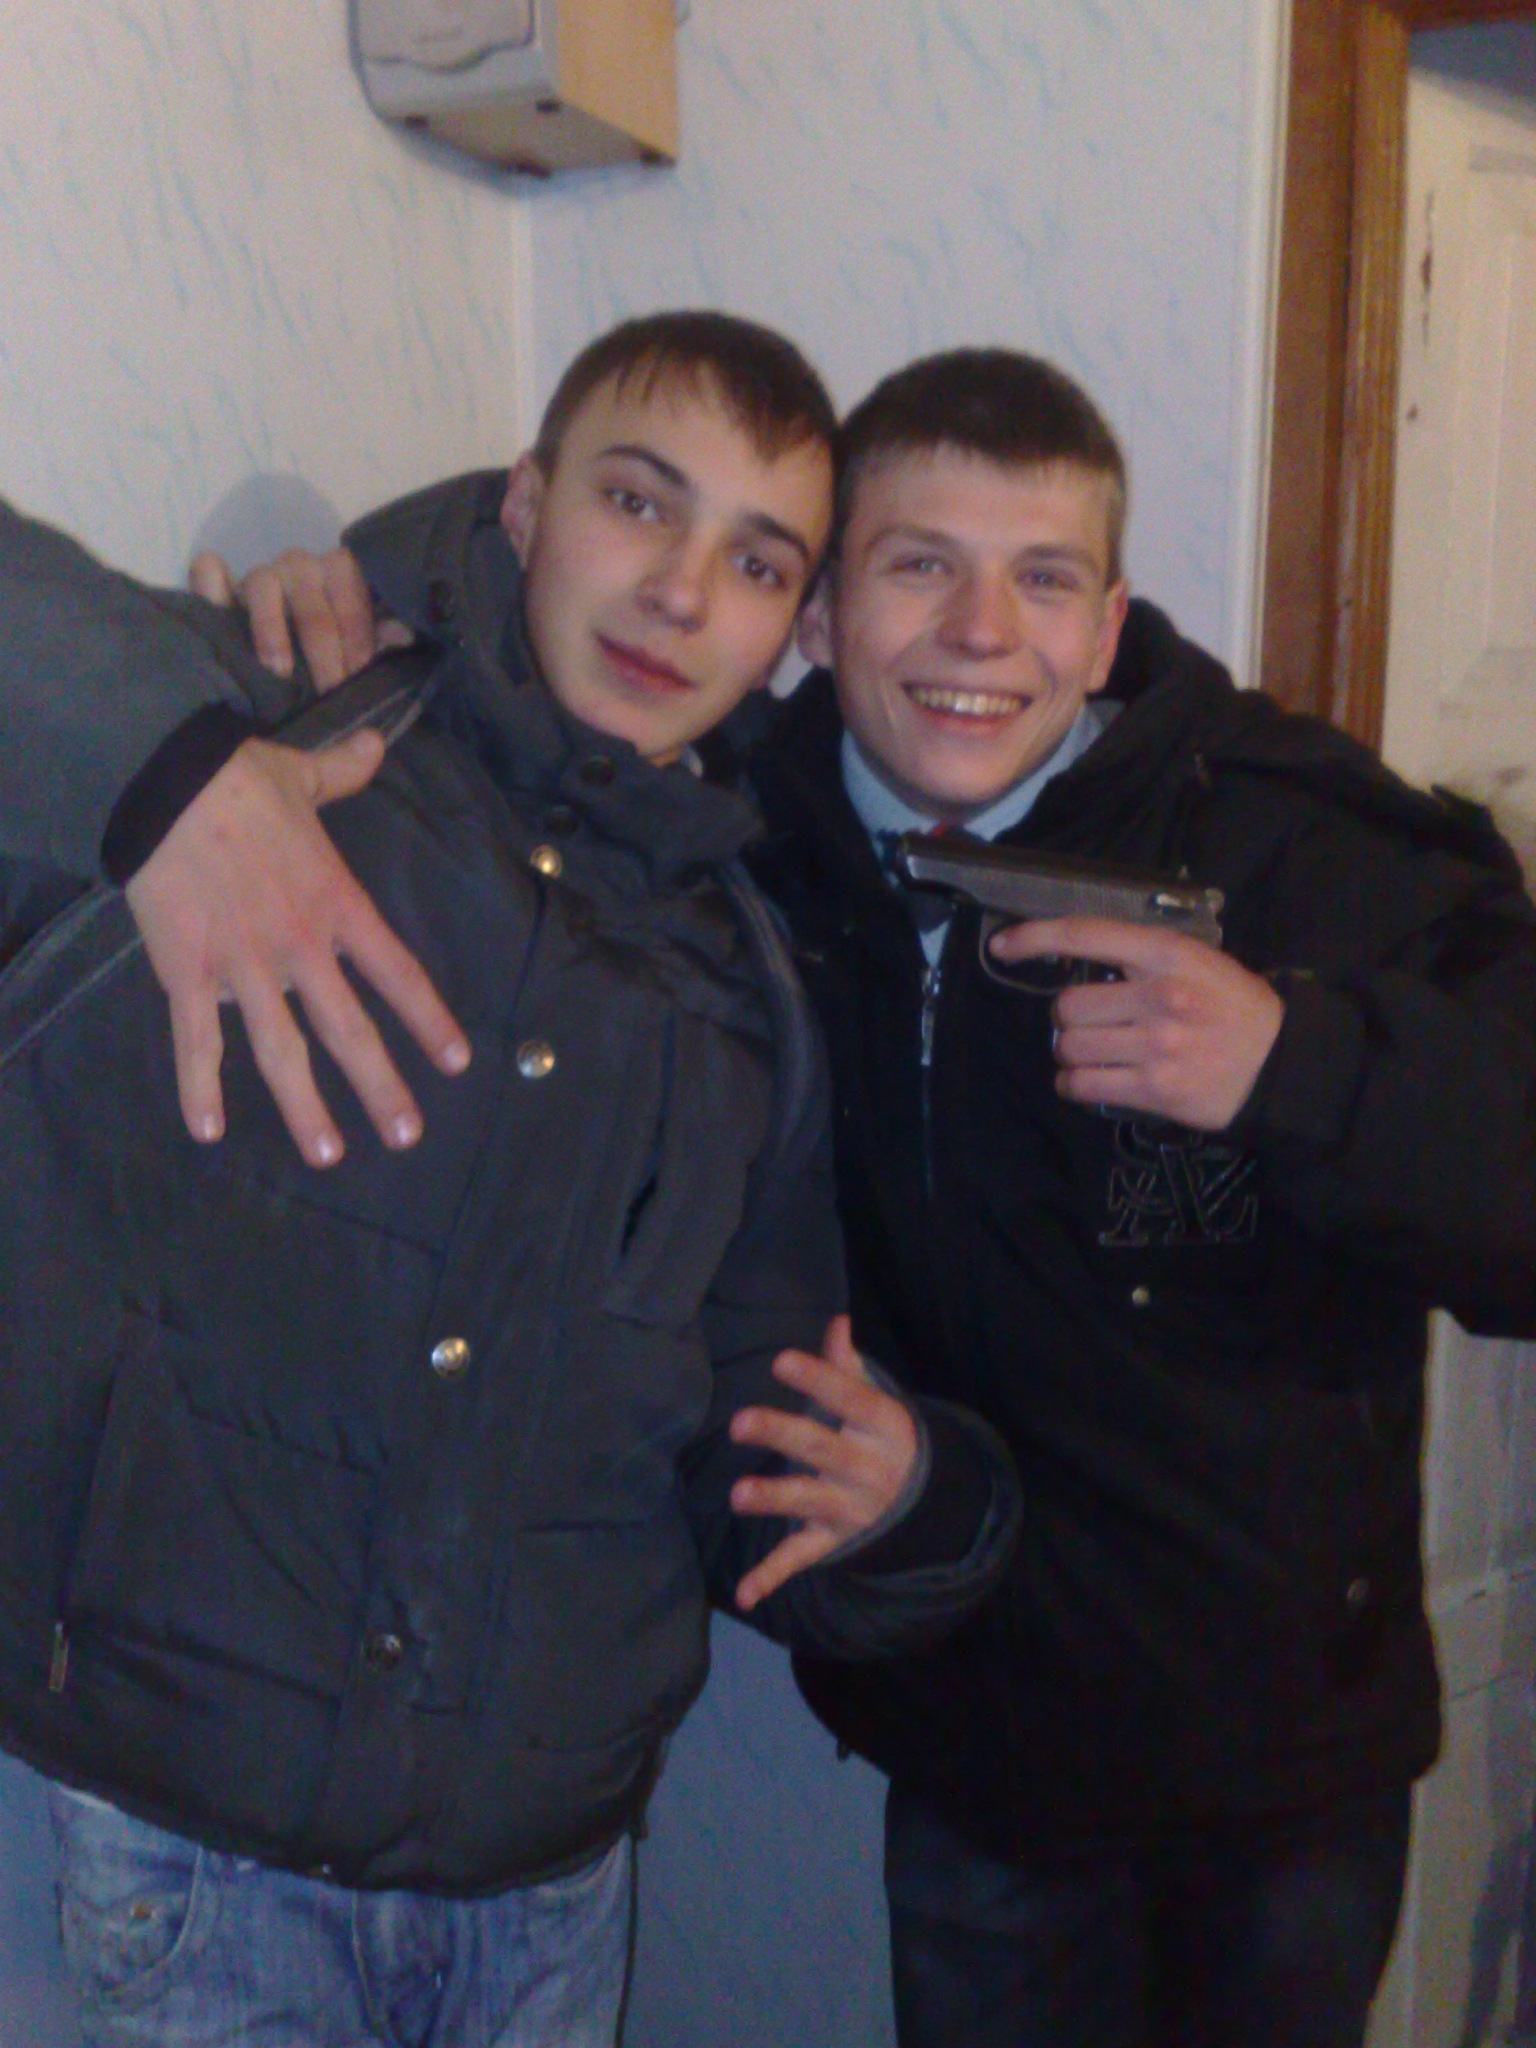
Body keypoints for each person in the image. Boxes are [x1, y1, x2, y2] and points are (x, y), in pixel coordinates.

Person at [93, 344, 1536, 2045]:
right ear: (826, 618)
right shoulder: (732, 844)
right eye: (920, 565)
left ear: (1106, 626)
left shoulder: (1295, 839)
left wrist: (1295, 1064)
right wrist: (361, 583)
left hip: (1282, 1778)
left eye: (1043, 580)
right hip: (976, 1756)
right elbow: (571, 592)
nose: (981, 633)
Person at [0, 314, 1021, 2048]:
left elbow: (756, 1446)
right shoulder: (277, 741)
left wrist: (913, 1505)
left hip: (550, 1895)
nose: (680, 594)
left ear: (796, 628)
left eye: (755, 560)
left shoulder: (749, 997)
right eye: (639, 502)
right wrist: (171, 779)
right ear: (528, 506)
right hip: (197, 1863)